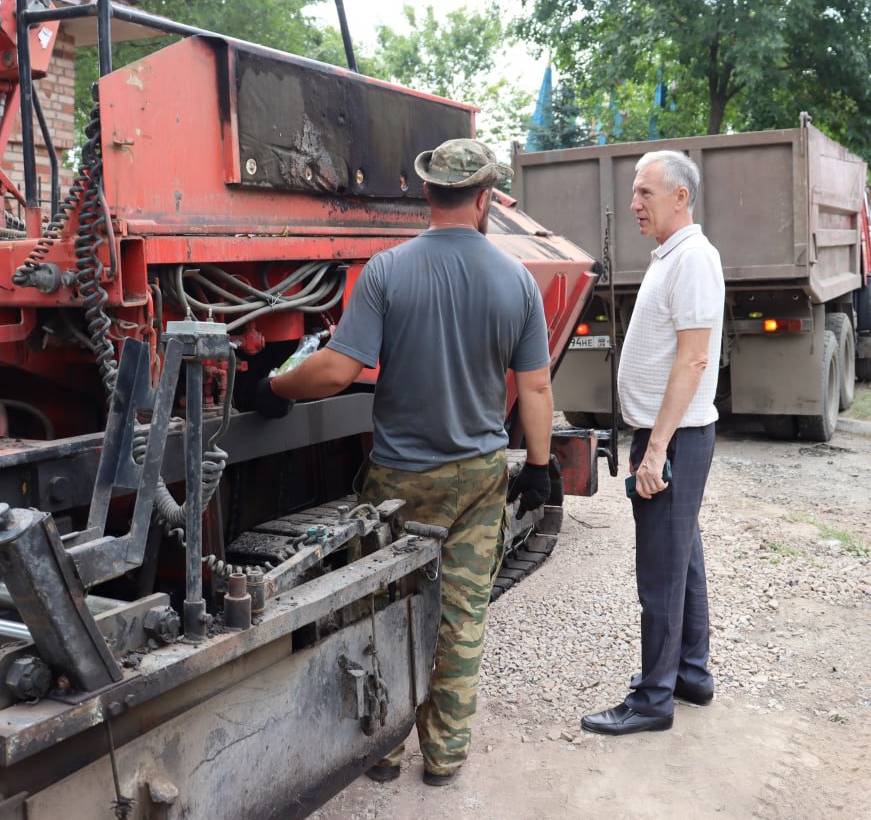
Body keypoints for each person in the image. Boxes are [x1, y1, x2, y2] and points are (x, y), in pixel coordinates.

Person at [253, 138, 555, 784]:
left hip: (398, 482)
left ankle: (383, 749)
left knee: (385, 607)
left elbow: (337, 368)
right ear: (485, 200)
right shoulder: (518, 281)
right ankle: (444, 756)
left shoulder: (386, 270)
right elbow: (534, 387)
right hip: (478, 479)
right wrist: (540, 463)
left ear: (426, 193)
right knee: (462, 617)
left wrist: (273, 386)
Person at [580, 150, 724, 737]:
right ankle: (691, 675)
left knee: (659, 573)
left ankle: (652, 699)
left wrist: (657, 447)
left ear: (680, 197)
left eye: (644, 193)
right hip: (671, 435)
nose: (633, 204)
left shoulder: (693, 259)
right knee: (683, 560)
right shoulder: (674, 257)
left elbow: (693, 358)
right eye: (635, 193)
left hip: (675, 438)